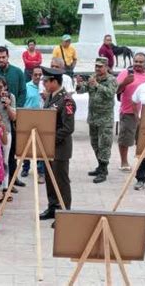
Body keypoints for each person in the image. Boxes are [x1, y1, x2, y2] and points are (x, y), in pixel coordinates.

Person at [0, 46, 26, 188]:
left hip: (11, 117)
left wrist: (13, 108)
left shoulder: (18, 72)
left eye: (4, 57)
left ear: (8, 56)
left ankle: (12, 180)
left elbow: (22, 92)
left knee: (11, 150)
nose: (1, 59)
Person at [39, 68, 76, 228]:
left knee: (61, 180)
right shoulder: (51, 97)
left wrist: (50, 140)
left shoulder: (66, 101)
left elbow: (68, 128)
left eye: (46, 81)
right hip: (48, 147)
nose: (44, 84)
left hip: (60, 148)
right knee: (49, 178)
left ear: (54, 81)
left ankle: (65, 212)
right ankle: (53, 206)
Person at [76, 57, 117, 184]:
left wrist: (97, 85)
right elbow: (82, 90)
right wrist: (79, 83)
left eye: (100, 66)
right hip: (93, 118)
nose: (98, 69)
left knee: (104, 144)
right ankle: (100, 166)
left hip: (105, 119)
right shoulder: (93, 77)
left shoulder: (111, 80)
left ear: (106, 67)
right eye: (96, 66)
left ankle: (103, 170)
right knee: (95, 143)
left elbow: (110, 93)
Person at [116, 53, 145, 171]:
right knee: (125, 139)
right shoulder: (126, 73)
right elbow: (116, 90)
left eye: (141, 62)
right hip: (128, 112)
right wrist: (124, 83)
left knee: (144, 139)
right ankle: (124, 162)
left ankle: (144, 162)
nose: (138, 64)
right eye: (136, 61)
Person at [0, 77, 20, 197]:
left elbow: (14, 117)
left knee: (5, 160)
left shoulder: (11, 97)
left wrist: (7, 105)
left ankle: (5, 187)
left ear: (5, 87)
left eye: (0, 87)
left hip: (6, 131)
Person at [21, 67, 45, 183]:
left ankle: (41, 171)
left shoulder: (45, 87)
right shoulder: (26, 87)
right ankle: (25, 167)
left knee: (40, 146)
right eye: (35, 74)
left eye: (40, 75)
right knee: (26, 144)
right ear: (32, 75)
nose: (38, 77)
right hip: (28, 117)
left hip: (42, 119)